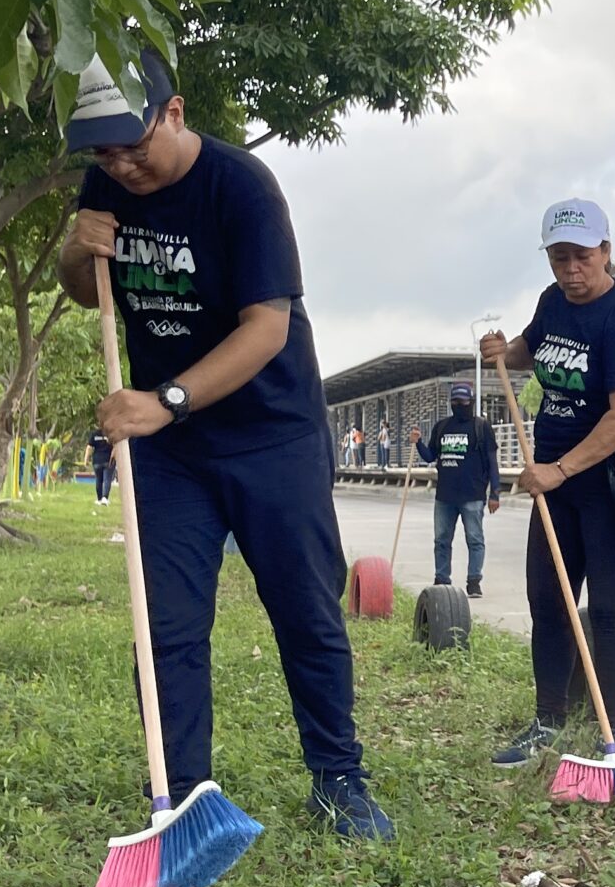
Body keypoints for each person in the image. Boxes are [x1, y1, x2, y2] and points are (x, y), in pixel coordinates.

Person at [58, 52, 390, 842]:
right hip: (173, 454)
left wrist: (165, 400)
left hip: (272, 438)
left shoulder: (242, 188)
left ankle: (338, 777)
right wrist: (78, 250)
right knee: (164, 622)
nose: (122, 166)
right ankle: (178, 798)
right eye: (104, 154)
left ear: (173, 112)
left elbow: (267, 330)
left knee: (305, 609)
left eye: (133, 144)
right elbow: (88, 286)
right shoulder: (107, 182)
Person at [475, 198, 615, 767]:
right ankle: (547, 721)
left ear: (606, 252)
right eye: (560, 259)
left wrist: (558, 470)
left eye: (582, 257)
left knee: (608, 610)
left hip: (610, 482)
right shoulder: (553, 302)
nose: (571, 271)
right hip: (554, 484)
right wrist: (501, 352)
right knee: (549, 603)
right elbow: (530, 351)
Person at [417, 382, 501, 597]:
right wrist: (417, 443)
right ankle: (442, 578)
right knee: (441, 540)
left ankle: (474, 581)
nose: (459, 404)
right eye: (455, 401)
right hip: (444, 496)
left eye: (463, 401)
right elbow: (429, 456)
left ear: (470, 402)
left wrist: (494, 493)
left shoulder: (481, 428)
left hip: (472, 495)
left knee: (475, 539)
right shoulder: (442, 427)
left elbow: (492, 462)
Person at [89, 427, 115, 505]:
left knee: (98, 479)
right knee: (107, 479)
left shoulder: (95, 434)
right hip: (108, 460)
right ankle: (105, 498)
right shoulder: (111, 433)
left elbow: (89, 447)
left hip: (97, 460)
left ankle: (99, 499)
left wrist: (86, 459)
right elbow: (115, 446)